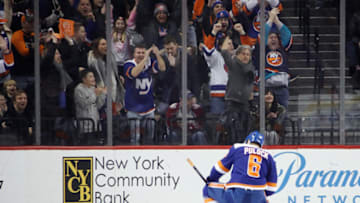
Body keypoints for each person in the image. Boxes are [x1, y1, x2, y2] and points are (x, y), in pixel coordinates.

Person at [203, 131, 278, 203]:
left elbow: (219, 168)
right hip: (258, 194)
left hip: (237, 192)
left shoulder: (238, 148)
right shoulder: (269, 156)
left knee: (207, 190)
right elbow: (272, 188)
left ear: (247, 141)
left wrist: (211, 179)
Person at [123, 43, 166, 145]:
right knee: (135, 138)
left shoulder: (149, 63)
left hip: (148, 107)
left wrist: (157, 55)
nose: (141, 54)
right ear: (133, 54)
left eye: (143, 52)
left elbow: (162, 68)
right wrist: (145, 58)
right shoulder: (128, 64)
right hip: (133, 107)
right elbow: (134, 73)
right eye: (138, 52)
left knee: (150, 138)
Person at [221, 45, 255, 144]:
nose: (245, 56)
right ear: (237, 55)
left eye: (248, 54)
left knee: (245, 127)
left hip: (245, 103)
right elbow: (224, 53)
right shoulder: (233, 64)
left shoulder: (250, 68)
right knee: (235, 127)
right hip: (233, 102)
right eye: (243, 54)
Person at [74, 69, 106, 135]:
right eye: (90, 77)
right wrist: (95, 94)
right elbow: (83, 104)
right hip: (85, 125)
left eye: (93, 76)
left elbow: (98, 105)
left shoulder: (93, 88)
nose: (93, 79)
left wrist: (102, 94)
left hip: (95, 124)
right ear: (84, 79)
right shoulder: (78, 89)